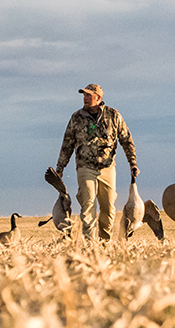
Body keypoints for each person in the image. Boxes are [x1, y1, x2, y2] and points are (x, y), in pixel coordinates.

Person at [54, 84, 139, 241]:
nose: (85, 98)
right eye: (84, 95)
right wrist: (60, 168)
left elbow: (126, 140)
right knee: (88, 205)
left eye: (88, 95)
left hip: (108, 168)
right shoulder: (76, 118)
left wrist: (132, 163)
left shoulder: (114, 115)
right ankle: (90, 245)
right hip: (85, 168)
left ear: (98, 97)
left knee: (108, 209)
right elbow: (67, 145)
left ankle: (105, 242)